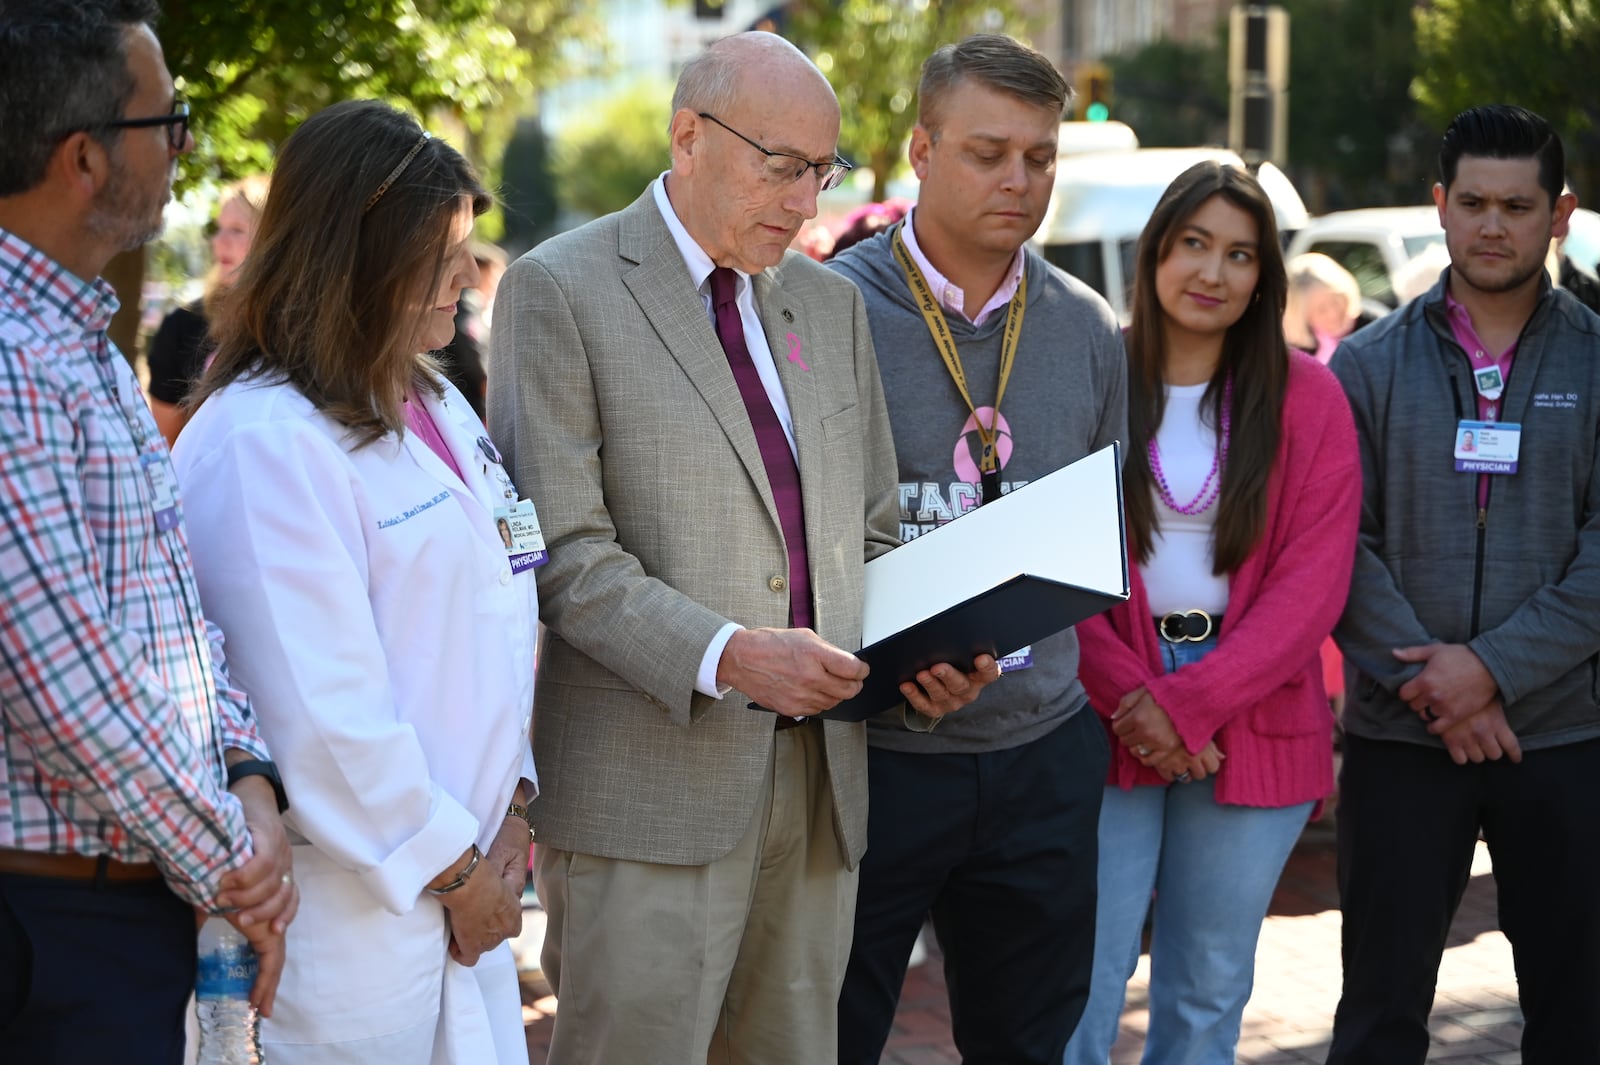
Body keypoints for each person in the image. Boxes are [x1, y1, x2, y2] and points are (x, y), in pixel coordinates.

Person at [488, 31, 997, 1065]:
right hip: (648, 796)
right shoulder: (561, 289)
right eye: (782, 166)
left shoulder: (827, 303)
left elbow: (866, 534)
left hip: (817, 791)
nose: (806, 199)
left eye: (824, 170)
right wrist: (727, 653)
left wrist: (921, 659)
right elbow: (564, 555)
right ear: (687, 136)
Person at [171, 100, 538, 1064]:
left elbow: (502, 611)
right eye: (439, 251)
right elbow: (319, 711)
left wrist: (516, 807)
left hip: (471, 892)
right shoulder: (261, 440)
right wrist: (454, 868)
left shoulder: (433, 400)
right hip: (351, 926)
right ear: (353, 255)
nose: (465, 277)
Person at [0, 2, 296, 1060]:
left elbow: (173, 616)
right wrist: (235, 857)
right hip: (52, 932)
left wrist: (249, 773)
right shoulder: (13, 355)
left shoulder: (78, 338)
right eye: (166, 121)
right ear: (82, 158)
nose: (182, 147)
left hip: (132, 904)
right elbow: (59, 680)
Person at [827, 35, 1125, 1065]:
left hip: (1038, 751)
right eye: (988, 151)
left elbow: (1099, 521)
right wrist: (892, 668)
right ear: (920, 148)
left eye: (1039, 157)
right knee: (832, 1034)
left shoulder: (1087, 326)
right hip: (872, 759)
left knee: (1028, 1044)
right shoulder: (827, 312)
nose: (1018, 179)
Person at [1062, 160, 1361, 1065]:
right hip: (1102, 705)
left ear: (1264, 275)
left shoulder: (1309, 397)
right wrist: (1139, 702)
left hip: (1253, 713)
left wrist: (1190, 705)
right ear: (1156, 252)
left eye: (1239, 254)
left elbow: (1312, 585)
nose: (1213, 272)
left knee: (1207, 990)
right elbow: (1051, 561)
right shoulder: (1090, 372)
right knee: (1078, 982)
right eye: (1194, 244)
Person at [1326, 104, 1600, 1064]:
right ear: (1439, 206)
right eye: (1473, 202)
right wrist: (1433, 686)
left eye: (1517, 206)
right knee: (1379, 1013)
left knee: (1578, 1013)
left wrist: (1488, 671)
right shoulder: (1363, 365)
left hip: (1562, 736)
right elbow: (1337, 546)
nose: (1493, 225)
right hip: (1401, 736)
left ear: (1559, 215)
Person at [144, 172, 269, 445]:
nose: (219, 241)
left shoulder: (299, 330)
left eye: (237, 230)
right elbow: (166, 450)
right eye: (219, 228)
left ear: (273, 239)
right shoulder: (182, 326)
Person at [1283, 251, 1361, 364]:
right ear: (1304, 319)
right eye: (1321, 310)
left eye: (1335, 301)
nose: (1333, 313)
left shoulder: (1372, 326)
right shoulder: (1298, 356)